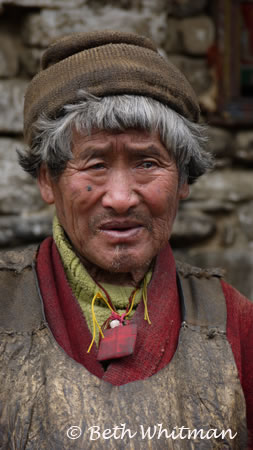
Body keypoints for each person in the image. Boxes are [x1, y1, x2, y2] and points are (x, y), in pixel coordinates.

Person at [0, 30, 252, 449]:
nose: (120, 198)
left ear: (183, 178)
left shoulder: (233, 321)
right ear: (48, 180)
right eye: (95, 164)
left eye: (147, 162)